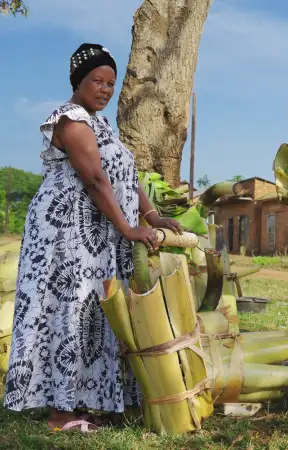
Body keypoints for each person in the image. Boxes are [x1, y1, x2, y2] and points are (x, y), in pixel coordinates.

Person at [4, 43, 182, 432]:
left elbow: (125, 177)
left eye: (110, 83)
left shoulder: (101, 125)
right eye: (96, 81)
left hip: (97, 234)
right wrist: (129, 228)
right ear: (78, 82)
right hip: (66, 231)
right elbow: (96, 179)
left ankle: (83, 401)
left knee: (96, 315)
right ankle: (61, 413)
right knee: (68, 311)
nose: (104, 89)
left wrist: (152, 214)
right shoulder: (69, 119)